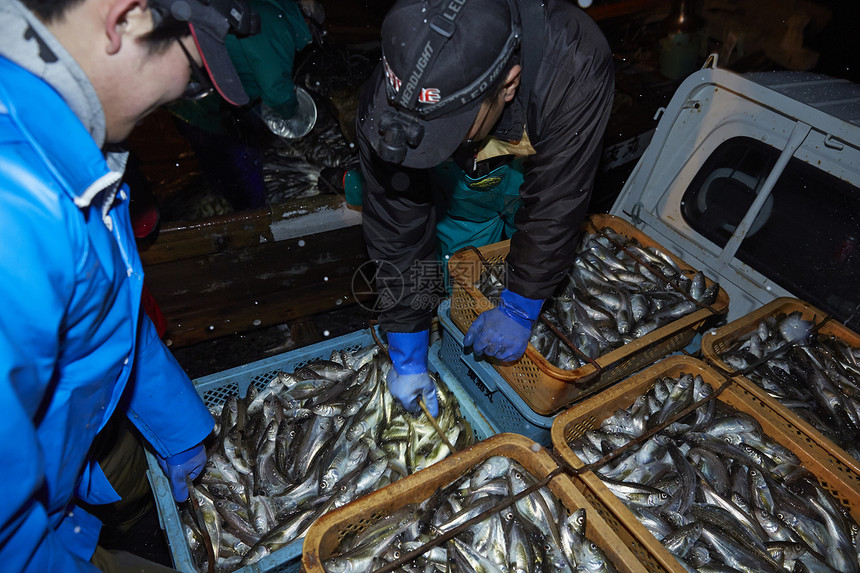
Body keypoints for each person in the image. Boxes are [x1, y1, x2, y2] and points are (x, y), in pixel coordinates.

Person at [0, 0, 259, 570]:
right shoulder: (17, 207)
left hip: (60, 514)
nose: (188, 87)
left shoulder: (68, 142)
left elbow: (104, 314)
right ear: (127, 18)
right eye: (193, 63)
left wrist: (178, 425)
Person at [356, 0, 614, 416]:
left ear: (509, 84)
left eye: (451, 128)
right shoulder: (395, 89)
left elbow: (556, 202)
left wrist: (520, 303)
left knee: (537, 248)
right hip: (461, 193)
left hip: (531, 174)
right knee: (448, 267)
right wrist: (406, 341)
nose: (438, 140)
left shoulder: (573, 63)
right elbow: (395, 222)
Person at [169, 0, 322, 211]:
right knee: (244, 170)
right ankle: (252, 222)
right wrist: (293, 113)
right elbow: (277, 93)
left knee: (214, 163)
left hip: (187, 102)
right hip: (210, 109)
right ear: (307, 20)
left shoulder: (266, 9)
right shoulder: (278, 27)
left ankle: (227, 194)